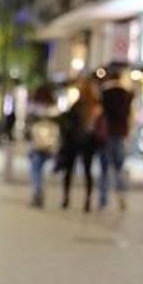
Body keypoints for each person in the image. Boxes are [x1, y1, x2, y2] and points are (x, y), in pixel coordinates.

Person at [58, 76, 105, 212]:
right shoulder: (96, 106)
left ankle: (66, 198)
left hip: (74, 141)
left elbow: (68, 123)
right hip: (89, 143)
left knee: (69, 170)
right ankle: (87, 200)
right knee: (87, 171)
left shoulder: (77, 106)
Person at [98, 66, 134, 210]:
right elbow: (128, 115)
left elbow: (101, 114)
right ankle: (121, 196)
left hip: (106, 134)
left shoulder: (105, 93)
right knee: (119, 168)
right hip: (120, 134)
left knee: (104, 169)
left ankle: (103, 199)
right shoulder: (126, 94)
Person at [25, 85, 61, 208]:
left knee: (35, 169)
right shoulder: (54, 109)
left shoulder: (33, 108)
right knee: (41, 169)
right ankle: (39, 190)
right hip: (50, 144)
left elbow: (28, 128)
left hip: (36, 144)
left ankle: (37, 191)